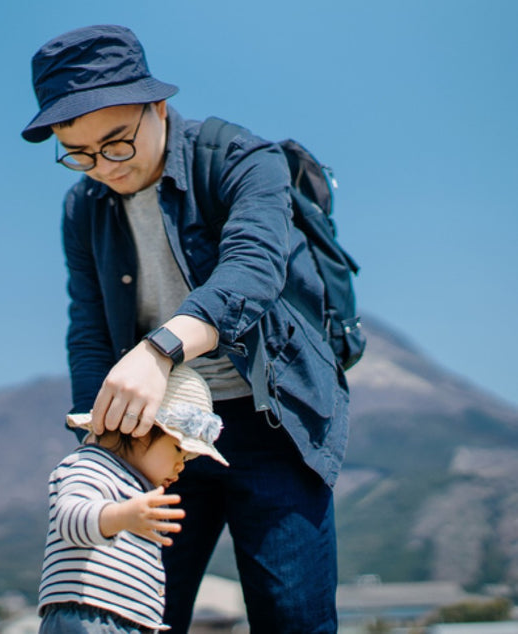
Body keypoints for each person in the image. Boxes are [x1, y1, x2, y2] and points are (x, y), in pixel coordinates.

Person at [22, 24, 349, 633]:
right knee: (133, 613)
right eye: (80, 154)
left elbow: (253, 269)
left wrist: (159, 350)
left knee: (292, 619)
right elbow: (88, 329)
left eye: (117, 143)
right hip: (154, 435)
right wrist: (100, 452)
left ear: (158, 106)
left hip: (271, 421)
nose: (103, 167)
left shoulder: (241, 159)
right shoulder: (82, 207)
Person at [38, 364, 228, 634]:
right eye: (178, 450)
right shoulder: (88, 465)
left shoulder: (139, 492)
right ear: (139, 428)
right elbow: (70, 520)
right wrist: (123, 516)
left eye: (186, 458)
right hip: (88, 614)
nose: (181, 466)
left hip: (128, 621)